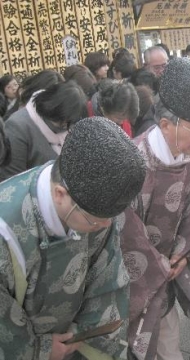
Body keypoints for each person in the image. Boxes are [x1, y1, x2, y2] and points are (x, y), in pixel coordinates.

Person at [0, 116, 146, 360]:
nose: (105, 227)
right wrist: (41, 349)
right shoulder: (6, 228)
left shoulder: (94, 204)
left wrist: (82, 334)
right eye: (95, 221)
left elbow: (108, 281)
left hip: (72, 341)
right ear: (60, 194)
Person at [120, 57, 190, 360]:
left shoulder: (189, 152)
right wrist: (158, 264)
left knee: (168, 336)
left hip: (170, 264)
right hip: (138, 276)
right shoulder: (135, 162)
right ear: (165, 124)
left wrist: (184, 253)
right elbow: (128, 233)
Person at [0, 81, 87, 182]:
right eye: (62, 121)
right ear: (52, 109)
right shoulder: (18, 126)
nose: (65, 127)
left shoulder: (69, 124)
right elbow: (12, 179)